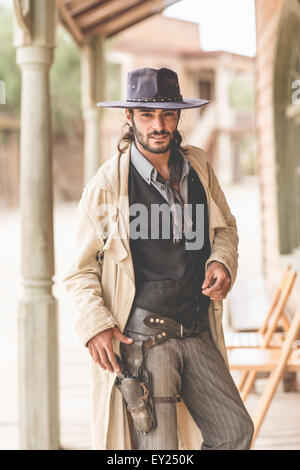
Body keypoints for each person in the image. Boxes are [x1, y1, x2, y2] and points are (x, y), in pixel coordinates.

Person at [63, 67, 254, 450]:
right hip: (143, 339)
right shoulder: (107, 185)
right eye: (147, 115)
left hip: (197, 328)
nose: (158, 125)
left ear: (179, 116)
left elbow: (225, 230)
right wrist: (96, 324)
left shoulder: (199, 167)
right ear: (129, 118)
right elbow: (80, 270)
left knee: (234, 431)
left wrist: (221, 260)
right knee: (159, 451)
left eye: (167, 114)